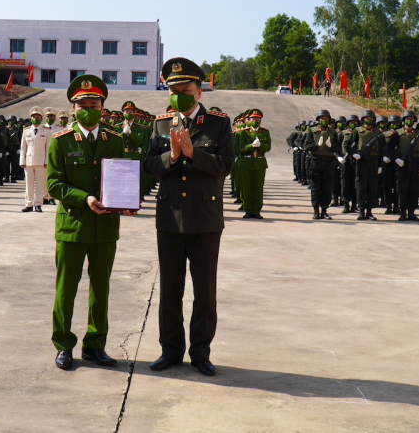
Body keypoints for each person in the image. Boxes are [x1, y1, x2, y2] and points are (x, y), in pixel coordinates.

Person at [144, 57, 234, 377]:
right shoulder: (159, 125)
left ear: (199, 91)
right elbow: (149, 167)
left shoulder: (218, 123)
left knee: (204, 291)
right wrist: (173, 155)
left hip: (205, 219)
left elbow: (225, 166)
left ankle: (200, 353)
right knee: (170, 290)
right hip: (170, 218)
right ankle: (170, 351)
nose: (179, 93)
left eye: (185, 88)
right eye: (173, 89)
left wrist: (195, 154)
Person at [47, 74, 130, 370]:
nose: (88, 109)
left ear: (103, 108)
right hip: (73, 226)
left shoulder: (115, 141)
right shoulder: (61, 141)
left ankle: (96, 345)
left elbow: (122, 177)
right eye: (82, 104)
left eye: (94, 104)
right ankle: (63, 345)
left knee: (101, 289)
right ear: (73, 109)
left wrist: (126, 202)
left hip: (105, 227)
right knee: (66, 289)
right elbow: (54, 185)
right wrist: (85, 199)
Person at [387, 110, 419, 222]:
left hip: (416, 165)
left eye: (411, 119)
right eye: (407, 119)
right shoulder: (397, 133)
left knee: (414, 189)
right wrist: (396, 159)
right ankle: (403, 212)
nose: (409, 121)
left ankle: (412, 212)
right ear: (404, 120)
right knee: (402, 189)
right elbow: (389, 148)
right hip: (403, 166)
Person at [346, 110, 382, 220]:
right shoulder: (357, 131)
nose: (369, 120)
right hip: (361, 162)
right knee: (360, 187)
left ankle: (369, 211)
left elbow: (381, 150)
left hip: (374, 162)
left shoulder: (378, 132)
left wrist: (380, 165)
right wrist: (354, 154)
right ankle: (361, 211)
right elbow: (347, 144)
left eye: (371, 118)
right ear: (363, 120)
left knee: (372, 188)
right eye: (367, 118)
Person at [305, 110, 341, 219]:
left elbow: (337, 148)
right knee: (315, 187)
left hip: (328, 162)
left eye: (326, 118)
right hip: (315, 161)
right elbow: (307, 146)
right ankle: (316, 210)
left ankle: (324, 210)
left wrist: (331, 146)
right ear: (318, 120)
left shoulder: (333, 132)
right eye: (322, 118)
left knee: (327, 187)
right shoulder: (312, 131)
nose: (324, 120)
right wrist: (316, 145)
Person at [234, 109, 269, 219]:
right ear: (249, 120)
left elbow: (268, 147)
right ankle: (248, 210)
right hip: (246, 162)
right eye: (253, 118)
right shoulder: (242, 132)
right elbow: (238, 148)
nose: (255, 120)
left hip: (259, 162)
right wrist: (251, 146)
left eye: (258, 119)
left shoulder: (265, 132)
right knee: (247, 188)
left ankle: (257, 210)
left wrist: (260, 146)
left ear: (260, 120)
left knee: (258, 188)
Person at [20, 106, 50, 212]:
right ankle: (28, 204)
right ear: (30, 118)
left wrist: (47, 161)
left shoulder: (46, 131)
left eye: (37, 116)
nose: (35, 118)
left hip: (41, 162)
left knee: (40, 184)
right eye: (33, 116)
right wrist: (22, 161)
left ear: (42, 119)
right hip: (28, 161)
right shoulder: (26, 131)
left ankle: (38, 204)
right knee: (29, 184)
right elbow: (23, 147)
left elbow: (48, 148)